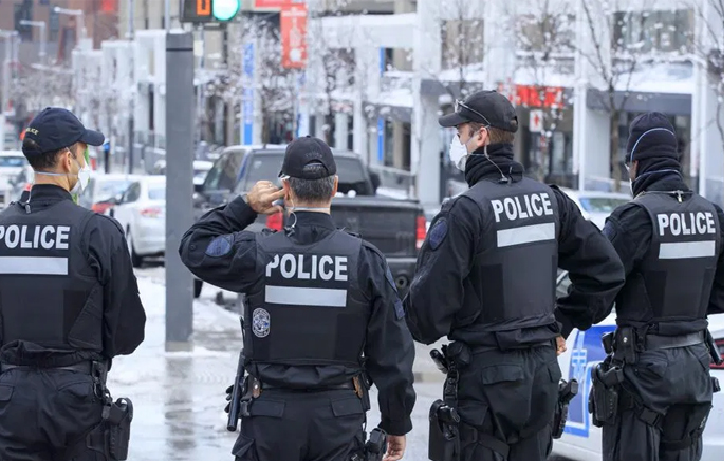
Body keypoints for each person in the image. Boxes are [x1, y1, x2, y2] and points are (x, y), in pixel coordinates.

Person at [404, 90, 626, 461]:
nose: (458, 142)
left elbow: (425, 319)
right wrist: (560, 322)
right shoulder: (551, 201)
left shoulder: (465, 211)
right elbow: (607, 270)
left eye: (460, 133)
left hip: (485, 380)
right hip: (541, 377)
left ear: (482, 136)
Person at [179, 136, 416, 461]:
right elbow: (392, 353)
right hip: (339, 420)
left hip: (270, 419)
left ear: (285, 189)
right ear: (333, 187)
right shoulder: (364, 260)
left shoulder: (257, 253)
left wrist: (245, 206)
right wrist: (396, 423)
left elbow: (193, 246)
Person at [0, 107, 146, 460]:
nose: (84, 162)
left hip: (9, 398)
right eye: (82, 153)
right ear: (67, 158)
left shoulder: (3, 228)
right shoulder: (97, 231)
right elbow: (128, 331)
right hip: (75, 399)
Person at [588, 112, 723, 461]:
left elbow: (597, 288)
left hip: (643, 373)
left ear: (636, 163)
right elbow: (719, 292)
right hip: (695, 367)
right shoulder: (712, 215)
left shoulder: (632, 218)